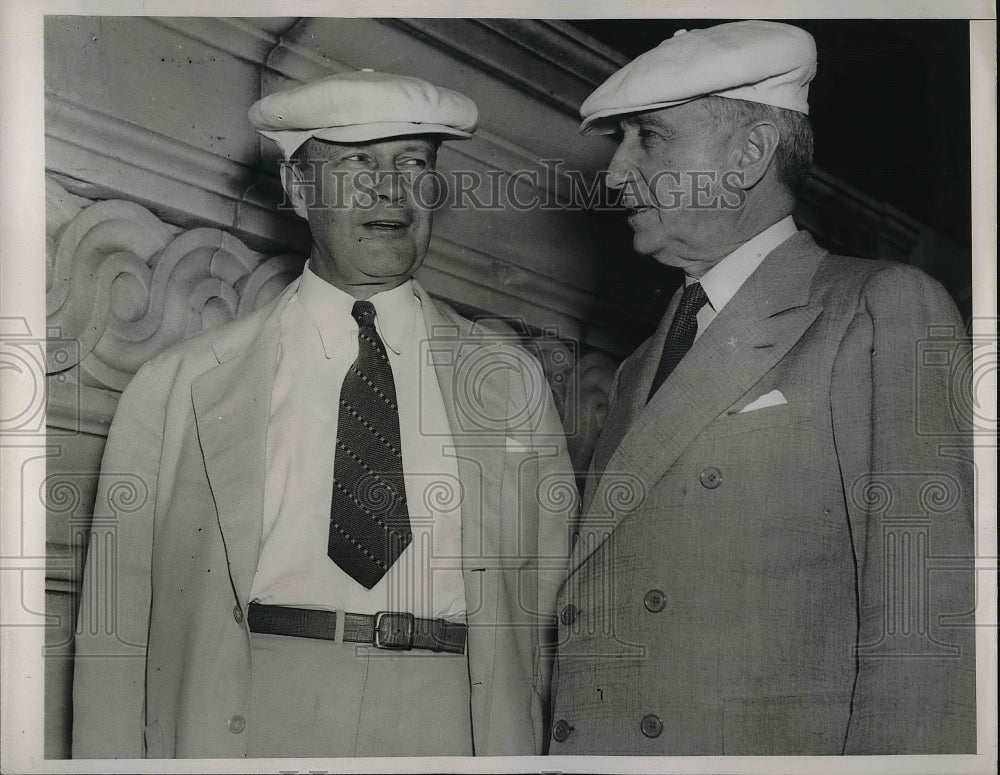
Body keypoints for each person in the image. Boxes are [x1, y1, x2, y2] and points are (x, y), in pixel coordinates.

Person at [72, 69, 574, 758]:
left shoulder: (510, 381)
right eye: (358, 163)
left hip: (455, 717)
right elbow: (113, 633)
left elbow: (551, 615)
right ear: (298, 189)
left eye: (413, 163)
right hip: (253, 710)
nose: (390, 189)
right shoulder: (177, 387)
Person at [549, 21, 976, 755]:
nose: (616, 174)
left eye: (647, 138)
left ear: (748, 154)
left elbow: (925, 624)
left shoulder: (881, 307)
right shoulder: (635, 368)